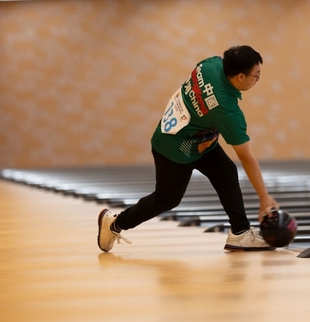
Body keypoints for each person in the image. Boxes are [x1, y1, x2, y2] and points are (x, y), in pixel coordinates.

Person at [97, 45, 280, 252]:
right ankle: (114, 224)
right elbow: (246, 157)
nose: (257, 80)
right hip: (174, 147)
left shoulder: (211, 64)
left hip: (196, 139)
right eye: (256, 76)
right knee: (166, 199)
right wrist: (264, 196)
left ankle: (240, 232)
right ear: (240, 76)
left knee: (226, 171)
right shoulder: (228, 111)